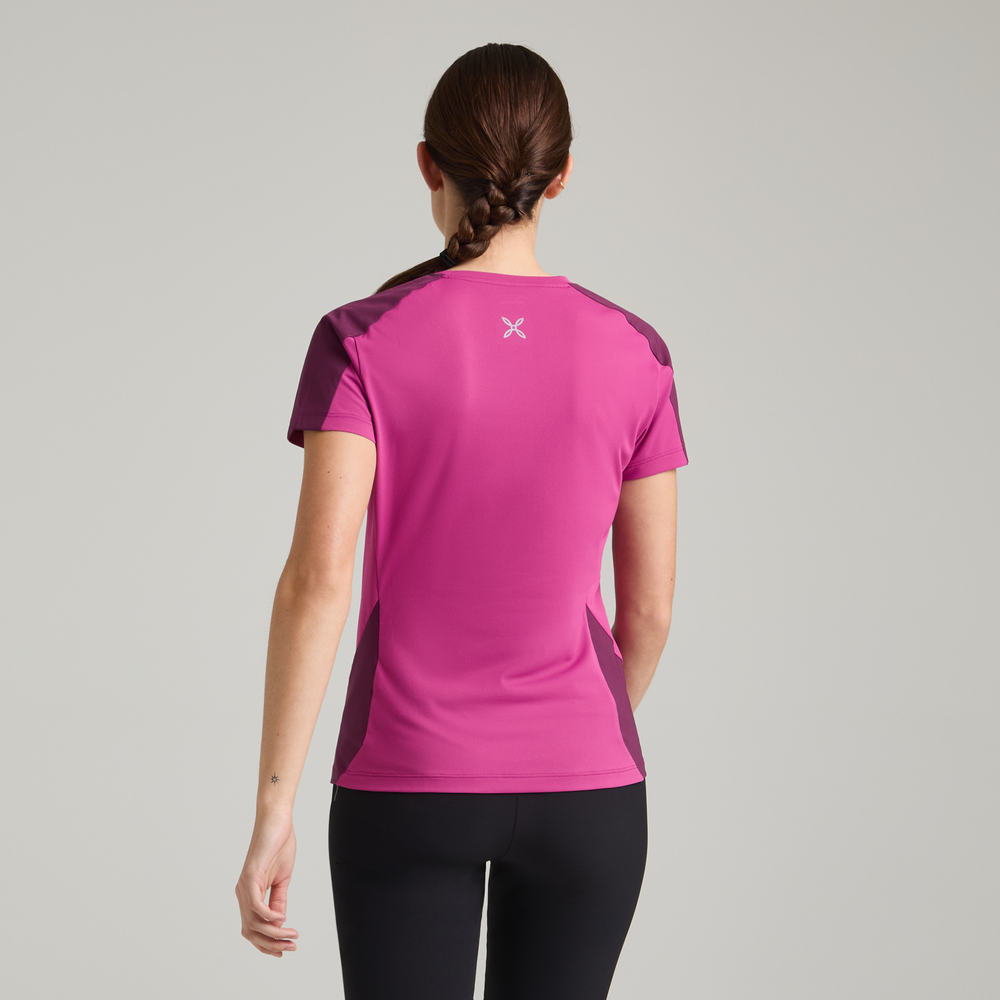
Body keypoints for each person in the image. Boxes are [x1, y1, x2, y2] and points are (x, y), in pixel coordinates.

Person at [235, 41, 688, 1000]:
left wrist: (273, 808)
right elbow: (648, 614)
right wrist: (568, 740)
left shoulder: (361, 339)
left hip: (408, 784)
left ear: (426, 164)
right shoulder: (637, 352)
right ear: (562, 175)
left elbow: (316, 582)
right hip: (589, 796)